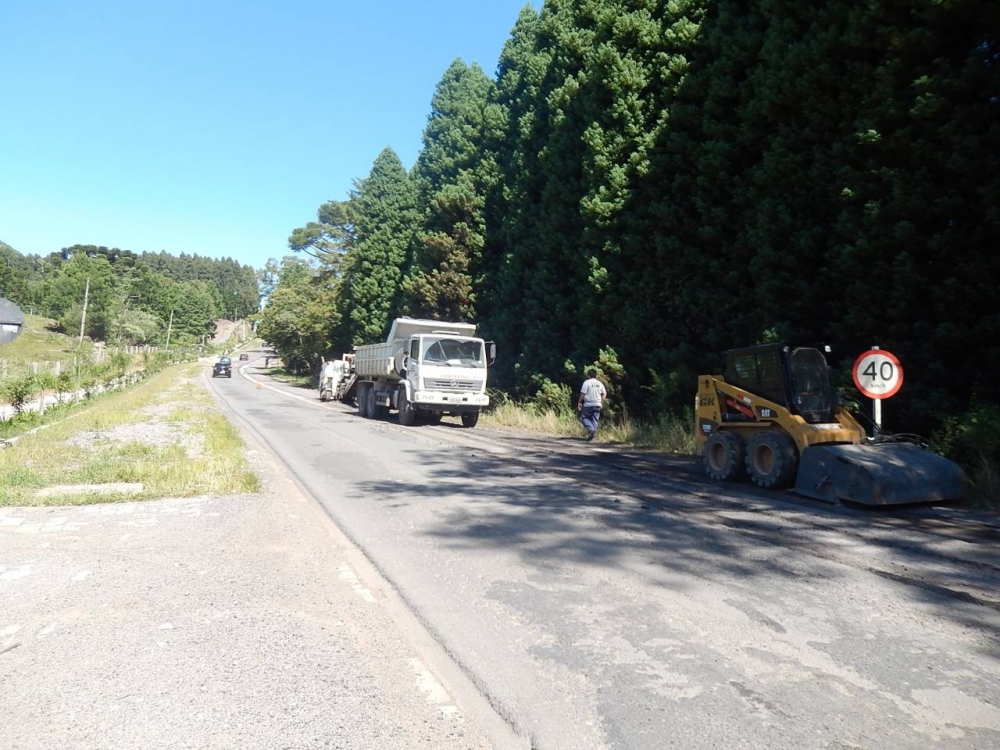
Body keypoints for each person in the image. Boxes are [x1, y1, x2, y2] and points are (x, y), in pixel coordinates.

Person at [577, 368, 607, 442]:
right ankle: (592, 437)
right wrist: (601, 402)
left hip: (588, 404)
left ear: (588, 375)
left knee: (584, 418)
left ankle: (591, 430)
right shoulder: (599, 383)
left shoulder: (586, 382)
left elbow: (583, 393)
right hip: (597, 404)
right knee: (595, 419)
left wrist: (579, 402)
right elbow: (604, 393)